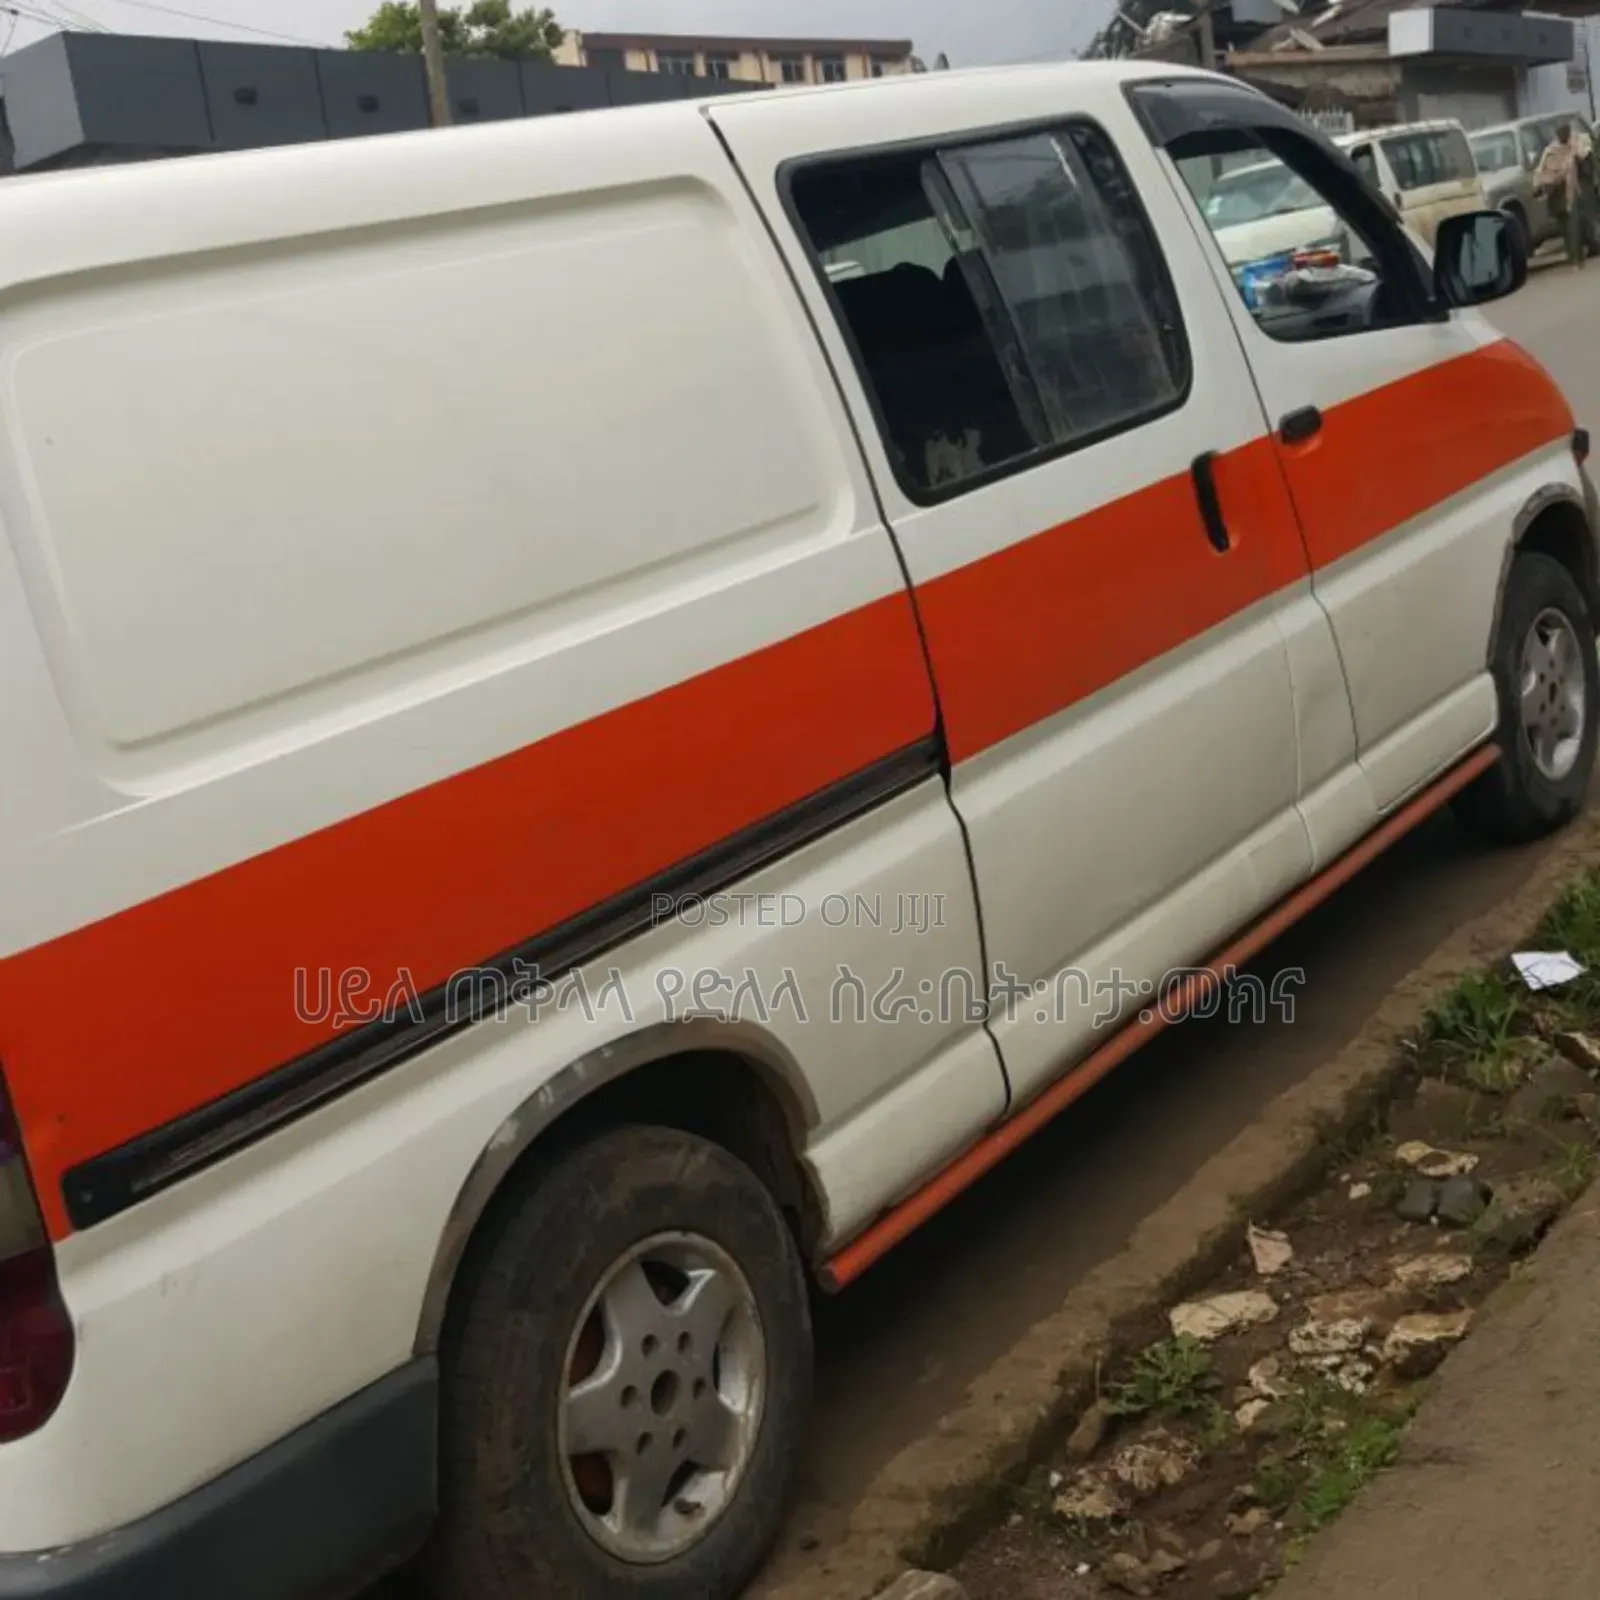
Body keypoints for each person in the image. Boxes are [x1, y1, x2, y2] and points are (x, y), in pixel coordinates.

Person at [1535, 121, 1596, 267]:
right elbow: (1542, 171)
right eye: (1560, 132)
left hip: (1572, 190)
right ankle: (1572, 254)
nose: (1563, 135)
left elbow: (1586, 158)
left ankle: (1577, 256)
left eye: (1565, 132)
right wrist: (1541, 184)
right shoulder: (1551, 150)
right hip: (1556, 193)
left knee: (1574, 225)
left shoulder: (1576, 144)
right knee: (1563, 226)